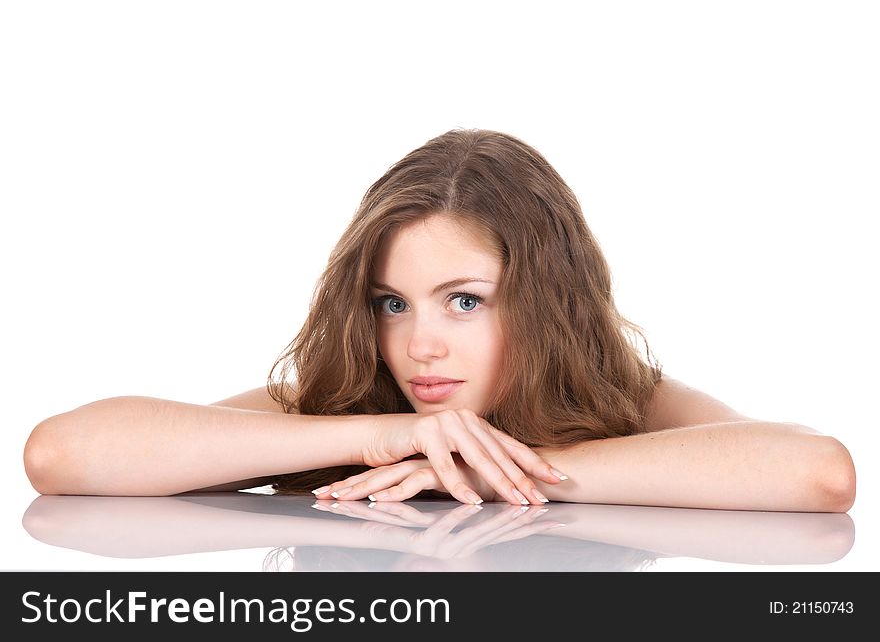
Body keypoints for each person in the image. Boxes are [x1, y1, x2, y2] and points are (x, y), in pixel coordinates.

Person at [23, 128, 856, 512]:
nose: (420, 344)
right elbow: (61, 453)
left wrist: (518, 471)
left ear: (546, 298)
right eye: (393, 303)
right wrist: (382, 436)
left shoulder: (624, 400)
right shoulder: (358, 398)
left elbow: (817, 473)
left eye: (465, 300)